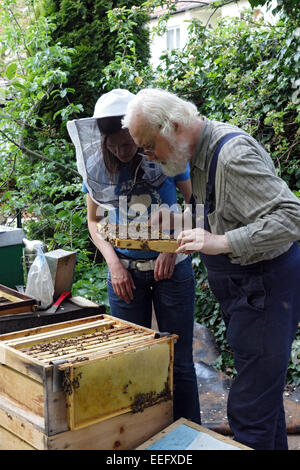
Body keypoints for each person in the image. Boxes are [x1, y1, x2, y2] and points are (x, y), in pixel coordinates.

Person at [122, 87, 300, 450]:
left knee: (249, 410)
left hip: (266, 288)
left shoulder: (230, 155)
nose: (149, 155)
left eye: (149, 145)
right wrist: (177, 219)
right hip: (248, 292)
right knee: (264, 402)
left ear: (172, 125)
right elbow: (223, 212)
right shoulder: (199, 154)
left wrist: (223, 243)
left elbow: (291, 216)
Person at [67, 89, 201, 425]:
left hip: (173, 269)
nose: (119, 151)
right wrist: (114, 265)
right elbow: (93, 221)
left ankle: (191, 437)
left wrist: (172, 247)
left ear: (137, 134)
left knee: (180, 360)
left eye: (125, 144)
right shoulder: (97, 167)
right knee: (132, 358)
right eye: (112, 145)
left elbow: (195, 204)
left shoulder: (163, 154)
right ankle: (143, 433)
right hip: (124, 271)